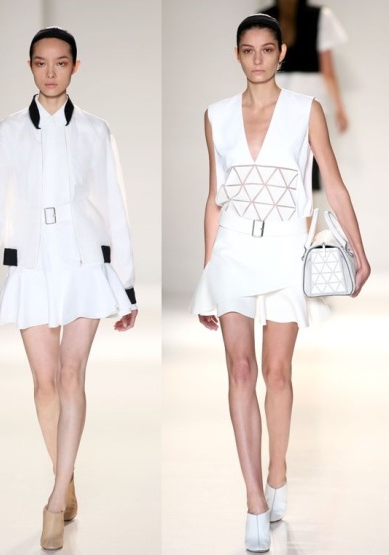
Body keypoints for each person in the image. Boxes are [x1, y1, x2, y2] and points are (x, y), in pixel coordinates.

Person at [190, 14, 369, 553]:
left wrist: (359, 251)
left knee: (277, 373)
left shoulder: (305, 110)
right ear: (237, 55)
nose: (258, 59)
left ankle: (277, 471)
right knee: (241, 370)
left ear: (282, 53)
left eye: (267, 49)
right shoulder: (216, 116)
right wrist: (208, 273)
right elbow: (214, 196)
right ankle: (253, 500)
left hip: (287, 248)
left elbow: (332, 183)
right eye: (248, 50)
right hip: (232, 250)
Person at [0, 27, 138, 551]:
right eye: (41, 63)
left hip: (85, 263)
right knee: (44, 384)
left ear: (75, 67)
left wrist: (126, 285)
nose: (50, 72)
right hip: (32, 266)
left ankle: (53, 501)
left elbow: (114, 205)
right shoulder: (8, 131)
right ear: (30, 66)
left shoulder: (95, 130)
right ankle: (65, 478)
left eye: (60, 62)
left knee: (71, 376)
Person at [263, 0, 348, 198]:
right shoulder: (321, 16)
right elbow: (327, 70)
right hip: (310, 97)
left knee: (278, 166)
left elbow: (260, 66)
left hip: (275, 96)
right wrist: (339, 108)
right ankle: (306, 217)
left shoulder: (265, 17)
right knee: (309, 169)